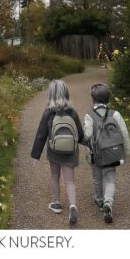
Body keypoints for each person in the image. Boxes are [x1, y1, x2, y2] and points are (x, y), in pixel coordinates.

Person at [31, 79, 86, 225]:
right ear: (66, 94)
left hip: (54, 151)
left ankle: (56, 203)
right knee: (70, 181)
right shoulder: (72, 112)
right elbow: (79, 134)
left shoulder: (48, 112)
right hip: (70, 151)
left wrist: (35, 155)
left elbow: (41, 135)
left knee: (54, 176)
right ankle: (72, 206)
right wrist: (87, 143)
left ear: (51, 95)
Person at [84, 83, 130, 224]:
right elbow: (124, 133)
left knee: (97, 178)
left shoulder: (89, 115)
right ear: (108, 99)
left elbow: (87, 136)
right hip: (112, 154)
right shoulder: (115, 114)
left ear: (93, 99)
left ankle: (99, 201)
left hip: (96, 155)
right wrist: (126, 153)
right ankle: (108, 203)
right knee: (110, 179)